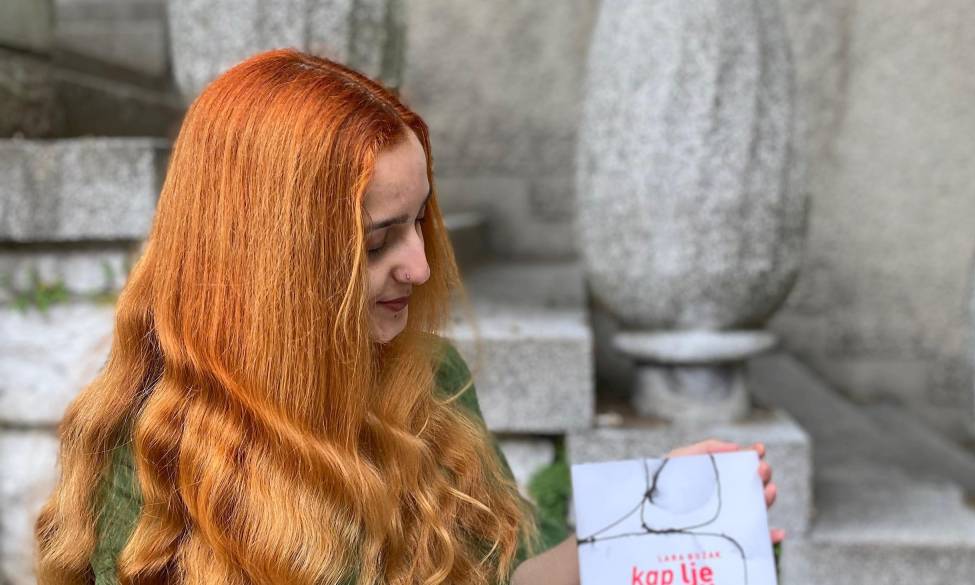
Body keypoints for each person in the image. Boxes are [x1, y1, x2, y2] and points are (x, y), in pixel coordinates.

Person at [34, 48, 781, 585]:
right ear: (271, 260)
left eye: (420, 220)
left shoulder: (430, 378)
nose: (420, 267)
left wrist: (641, 535)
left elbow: (508, 578)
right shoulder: (154, 452)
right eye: (376, 241)